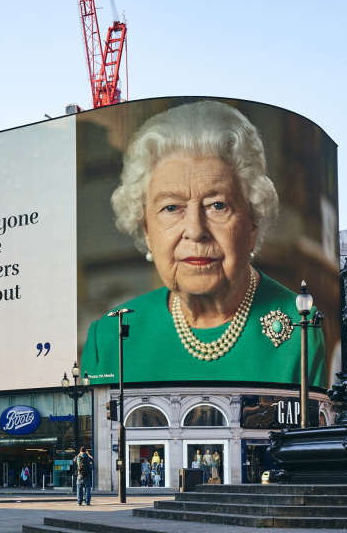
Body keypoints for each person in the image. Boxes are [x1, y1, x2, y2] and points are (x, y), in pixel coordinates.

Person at [82, 100, 327, 386]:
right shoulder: (110, 336)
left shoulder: (302, 329)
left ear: (252, 224)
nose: (196, 231)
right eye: (172, 208)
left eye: (217, 205)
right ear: (147, 230)